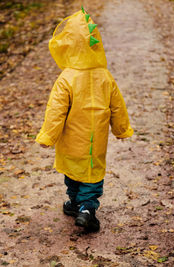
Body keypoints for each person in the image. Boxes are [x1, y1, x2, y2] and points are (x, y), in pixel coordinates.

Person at [35, 7, 133, 232]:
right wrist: (121, 129)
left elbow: (56, 111)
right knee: (92, 172)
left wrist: (48, 136)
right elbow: (117, 105)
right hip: (95, 141)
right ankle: (87, 208)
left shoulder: (66, 78)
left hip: (70, 141)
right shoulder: (105, 76)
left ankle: (76, 203)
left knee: (73, 172)